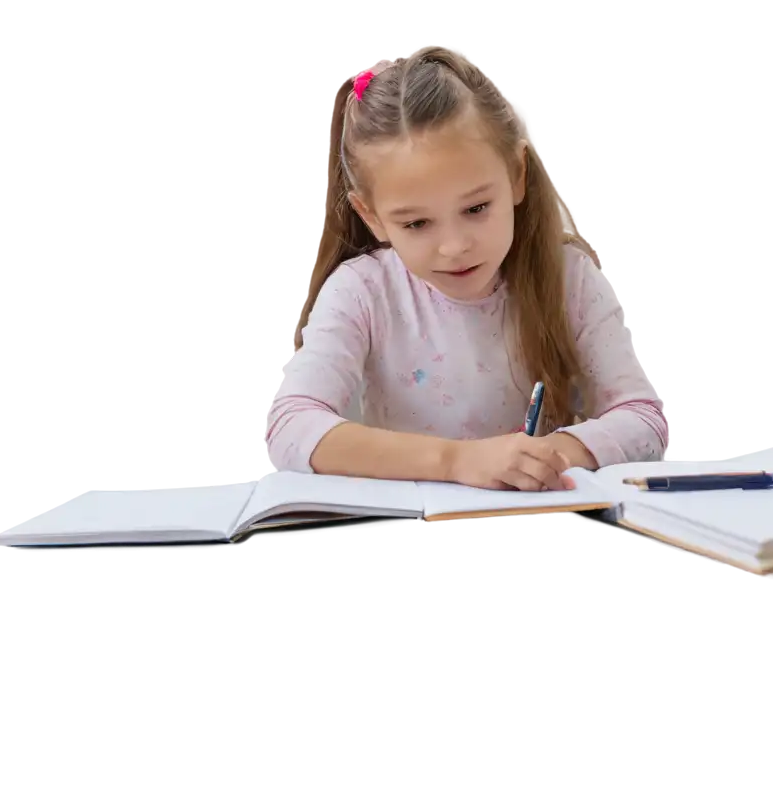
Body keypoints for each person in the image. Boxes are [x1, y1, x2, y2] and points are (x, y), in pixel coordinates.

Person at [266, 43, 669, 492]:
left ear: (517, 174)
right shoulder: (362, 290)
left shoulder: (569, 278)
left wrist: (546, 457)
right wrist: (458, 461)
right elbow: (290, 429)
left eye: (477, 208)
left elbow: (643, 419)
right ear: (372, 217)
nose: (455, 247)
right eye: (417, 223)